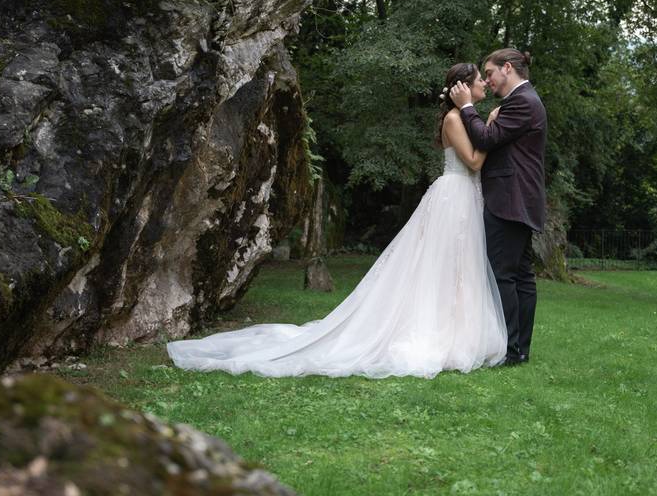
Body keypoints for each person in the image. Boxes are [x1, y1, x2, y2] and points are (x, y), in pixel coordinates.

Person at [167, 63, 507, 378]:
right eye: (480, 80)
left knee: (459, 267)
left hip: (464, 197)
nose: (483, 84)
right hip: (454, 196)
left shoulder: (466, 117)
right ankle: (436, 332)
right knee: (441, 266)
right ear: (464, 86)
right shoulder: (454, 118)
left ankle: (458, 330)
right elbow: (475, 162)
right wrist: (491, 128)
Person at [450, 48, 546, 365]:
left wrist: (466, 108)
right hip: (519, 198)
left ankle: (510, 349)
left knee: (505, 275)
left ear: (507, 68)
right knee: (519, 276)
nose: (488, 81)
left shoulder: (522, 101)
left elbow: (486, 140)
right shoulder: (521, 101)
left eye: (489, 73)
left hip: (510, 199)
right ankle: (518, 349)